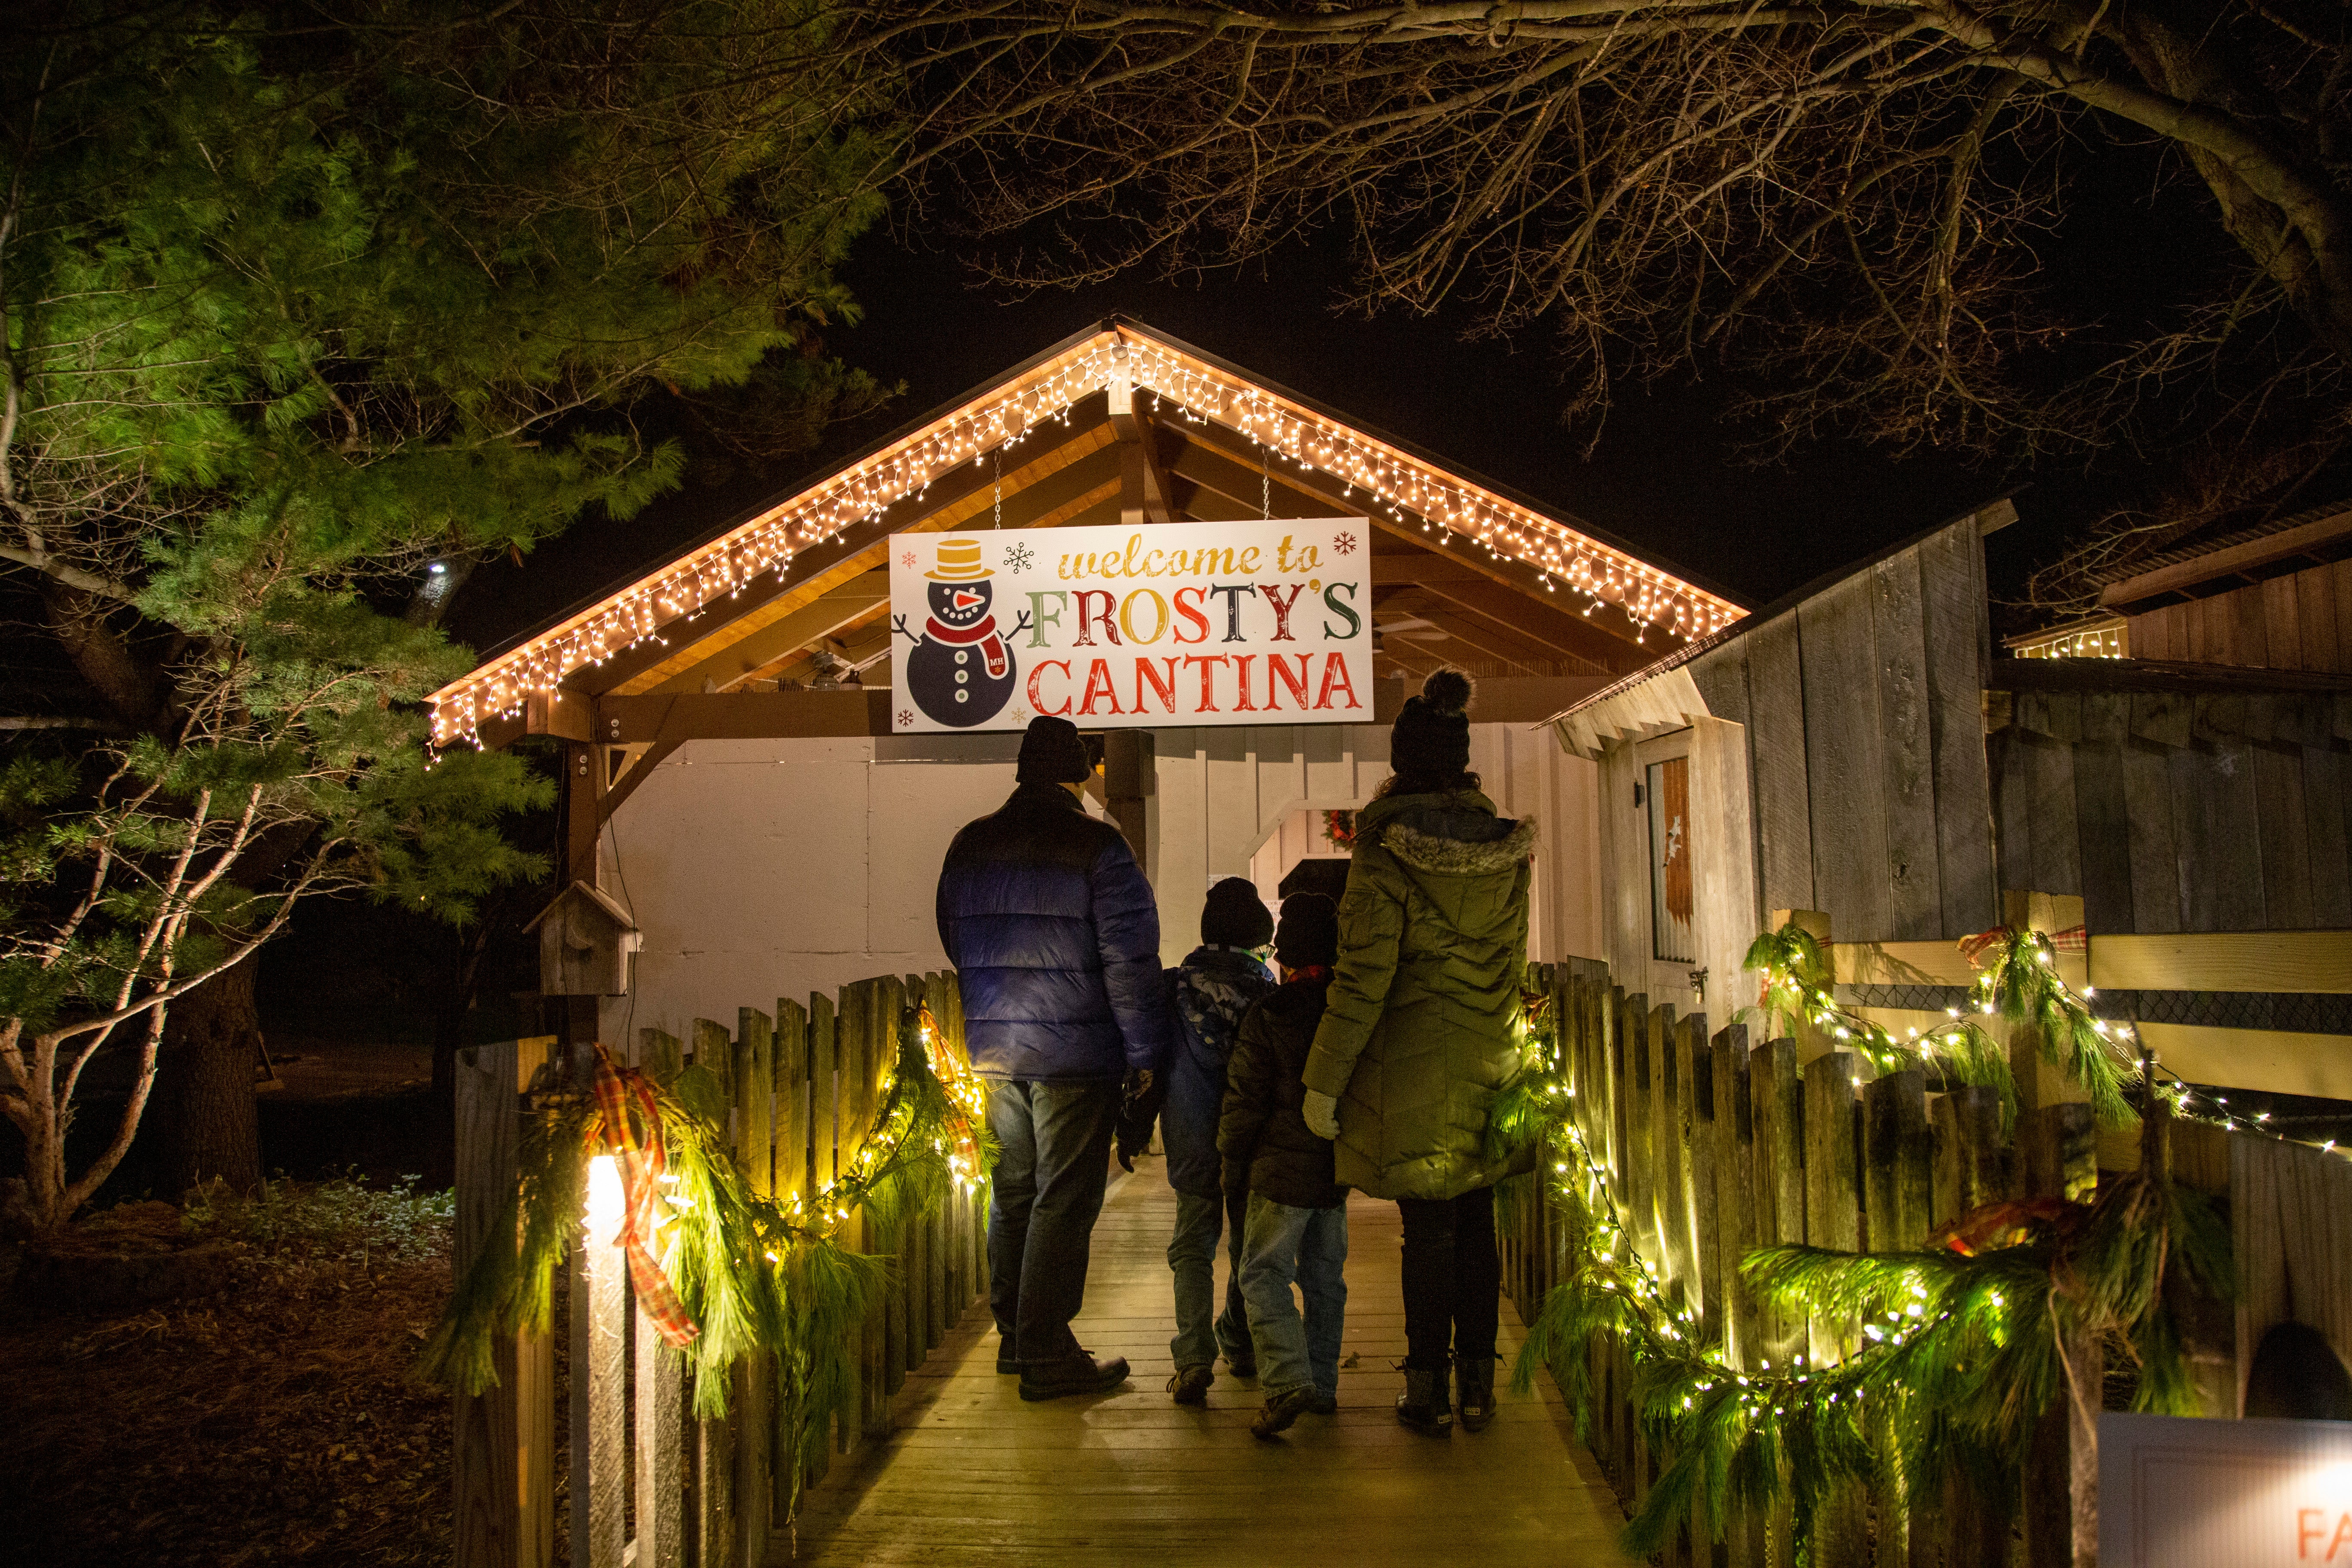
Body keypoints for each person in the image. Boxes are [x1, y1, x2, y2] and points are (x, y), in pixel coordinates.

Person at [1300, 670, 1534, 1435]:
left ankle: (1426, 1387)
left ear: (1399, 763)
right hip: (1494, 1058)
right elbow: (1511, 963)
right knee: (1476, 1219)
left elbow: (1363, 977)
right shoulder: (1505, 849)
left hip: (1413, 1071)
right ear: (1462, 760)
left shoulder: (1385, 850)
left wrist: (1323, 1081)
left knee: (1428, 1230)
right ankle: (1479, 1386)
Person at [936, 716, 1173, 1401]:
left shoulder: (970, 844)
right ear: (1079, 773)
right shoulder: (1099, 846)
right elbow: (1129, 962)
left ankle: (1015, 1336)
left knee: (1013, 1192)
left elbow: (956, 938)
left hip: (997, 1048)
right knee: (1064, 1198)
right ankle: (1047, 1348)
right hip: (1074, 1050)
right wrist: (1145, 1054)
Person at [1124, 877, 1276, 1406]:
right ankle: (1238, 1335)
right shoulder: (1265, 994)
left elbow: (1151, 1070)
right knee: (1248, 1247)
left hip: (1190, 1141)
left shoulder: (1173, 990)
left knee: (1192, 1246)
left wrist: (1136, 1128)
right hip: (1251, 1143)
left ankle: (1192, 1356)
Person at [1221, 892, 1350, 1439]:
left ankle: (1286, 1379)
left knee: (1261, 1274)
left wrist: (1231, 1162)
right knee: (1325, 1280)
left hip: (1277, 1172)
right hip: (1335, 1172)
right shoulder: (1348, 1014)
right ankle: (1320, 1383)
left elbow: (1244, 1101)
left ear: (1286, 956)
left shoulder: (1270, 1014)